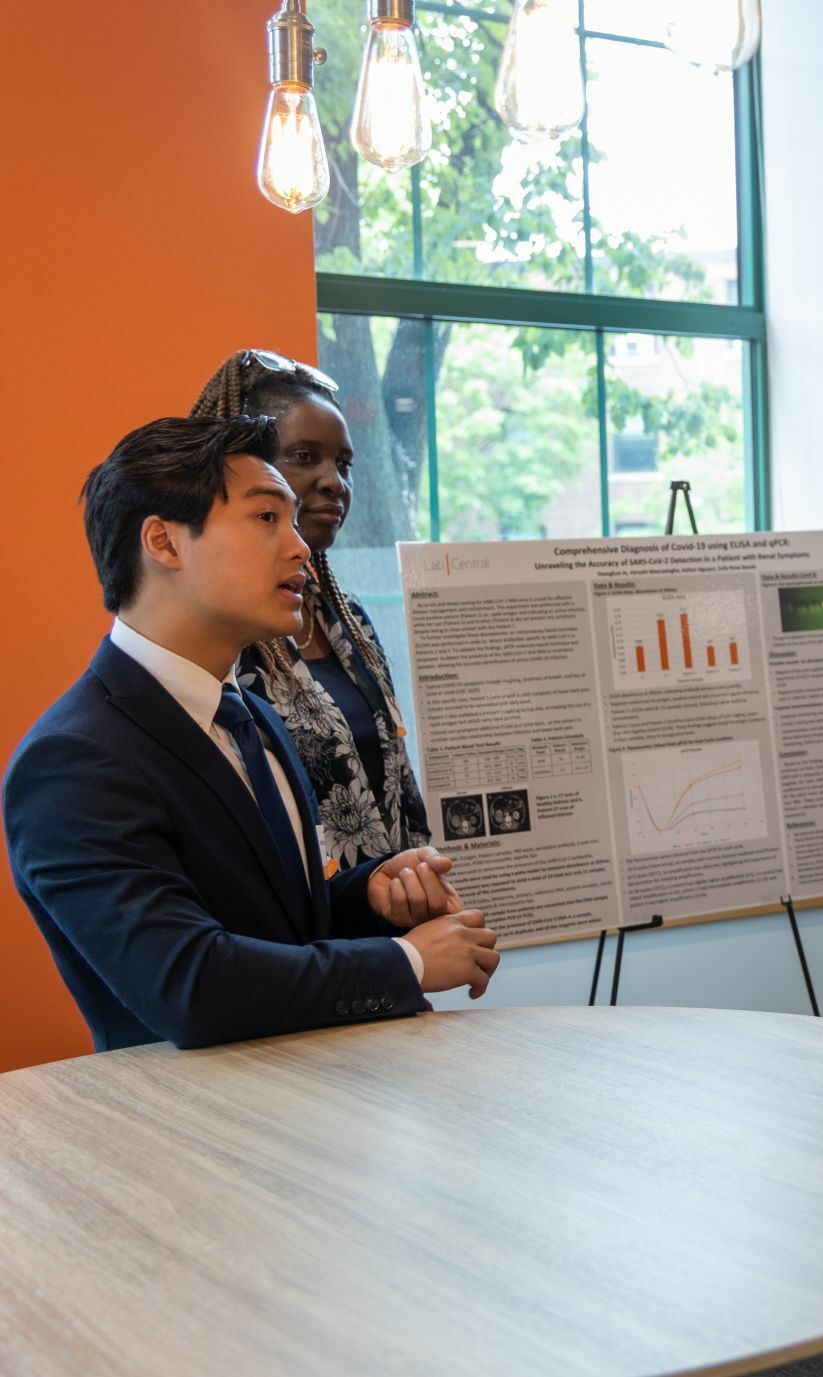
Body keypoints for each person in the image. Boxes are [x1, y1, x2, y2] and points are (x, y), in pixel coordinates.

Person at [4, 416, 500, 1052]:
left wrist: (366, 894)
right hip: (187, 1134)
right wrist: (407, 962)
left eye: (293, 522)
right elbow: (190, 985)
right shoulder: (72, 760)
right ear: (163, 541)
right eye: (267, 517)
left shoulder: (250, 714)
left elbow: (269, 918)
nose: (299, 547)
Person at [190, 349, 429, 867]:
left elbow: (398, 789)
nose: (333, 481)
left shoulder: (347, 618)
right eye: (304, 457)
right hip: (293, 938)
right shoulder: (221, 633)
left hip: (395, 923)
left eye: (343, 464)